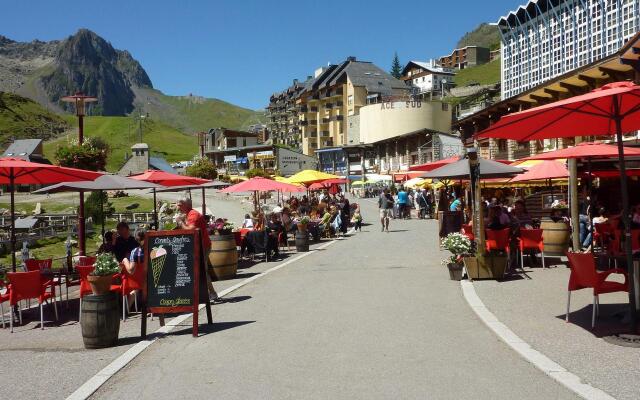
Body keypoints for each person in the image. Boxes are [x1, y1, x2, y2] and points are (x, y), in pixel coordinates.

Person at [176, 194, 220, 302]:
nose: (178, 207)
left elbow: (190, 231)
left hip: (202, 246)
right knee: (198, 270)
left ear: (186, 205)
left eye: (180, 205)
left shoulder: (193, 215)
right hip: (198, 246)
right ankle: (203, 293)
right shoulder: (189, 214)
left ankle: (212, 293)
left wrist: (180, 222)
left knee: (202, 271)